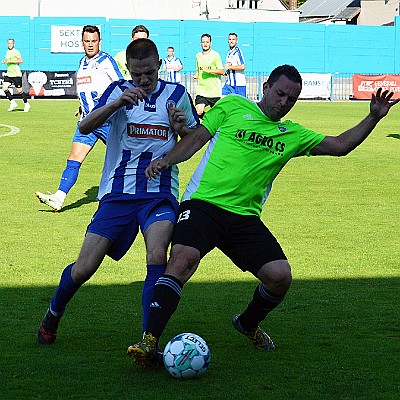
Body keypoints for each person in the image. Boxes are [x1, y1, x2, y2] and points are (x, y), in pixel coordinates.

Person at [127, 64, 399, 368]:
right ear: (266, 86)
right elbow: (196, 139)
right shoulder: (232, 106)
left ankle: (247, 323)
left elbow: (340, 146)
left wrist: (373, 117)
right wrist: (167, 160)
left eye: (291, 99)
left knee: (280, 277)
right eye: (280, 93)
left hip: (244, 218)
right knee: (182, 260)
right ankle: (149, 340)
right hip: (203, 205)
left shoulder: (292, 134)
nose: (283, 102)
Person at [37, 38, 199, 348]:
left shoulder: (177, 94)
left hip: (159, 192)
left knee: (156, 255)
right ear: (129, 70)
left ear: (159, 66)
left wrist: (182, 129)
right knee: (84, 268)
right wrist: (116, 104)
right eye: (137, 74)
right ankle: (53, 315)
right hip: (117, 193)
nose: (143, 80)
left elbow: (193, 142)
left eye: (149, 73)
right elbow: (85, 127)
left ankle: (148, 339)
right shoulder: (117, 91)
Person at [35, 25, 123, 212]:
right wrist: (81, 106)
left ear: (100, 41)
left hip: (107, 121)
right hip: (87, 122)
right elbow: (87, 89)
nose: (90, 45)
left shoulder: (106, 60)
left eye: (94, 41)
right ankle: (59, 197)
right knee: (74, 158)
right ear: (82, 42)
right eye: (87, 41)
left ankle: (145, 191)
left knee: (126, 156)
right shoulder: (82, 62)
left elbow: (121, 85)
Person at [193, 33, 224, 118]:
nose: (205, 44)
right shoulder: (198, 56)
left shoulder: (215, 55)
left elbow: (221, 71)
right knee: (198, 111)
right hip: (202, 90)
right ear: (200, 43)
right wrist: (196, 74)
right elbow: (198, 69)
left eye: (207, 42)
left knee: (217, 116)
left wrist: (209, 71)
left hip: (214, 91)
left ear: (210, 43)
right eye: (203, 42)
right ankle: (207, 123)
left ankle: (210, 123)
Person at [2, 38, 30, 112]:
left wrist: (10, 61)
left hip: (16, 75)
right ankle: (12, 102)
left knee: (19, 91)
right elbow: (8, 61)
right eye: (9, 43)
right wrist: (5, 62)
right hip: (9, 74)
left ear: (13, 44)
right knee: (4, 88)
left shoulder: (16, 52)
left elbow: (21, 60)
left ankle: (26, 104)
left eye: (11, 43)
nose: (10, 44)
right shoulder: (7, 52)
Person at [222, 32, 246, 97]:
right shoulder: (229, 52)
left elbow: (243, 66)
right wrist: (226, 72)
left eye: (233, 39)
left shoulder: (237, 51)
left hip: (239, 84)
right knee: (222, 98)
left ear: (236, 41)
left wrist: (229, 67)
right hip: (229, 83)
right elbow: (229, 66)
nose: (231, 41)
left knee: (240, 105)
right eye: (230, 39)